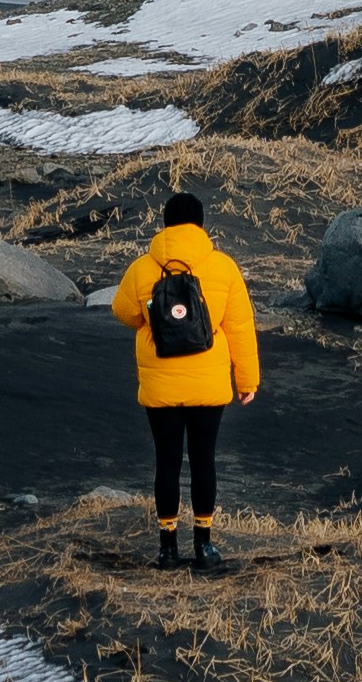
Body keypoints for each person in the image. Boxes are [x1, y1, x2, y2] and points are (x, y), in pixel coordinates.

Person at [110, 189, 259, 572]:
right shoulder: (224, 267)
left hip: (160, 384)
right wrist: (247, 379)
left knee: (167, 461)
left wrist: (150, 314)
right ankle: (205, 545)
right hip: (209, 386)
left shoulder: (143, 268)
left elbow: (122, 313)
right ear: (201, 224)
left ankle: (167, 547)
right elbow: (240, 327)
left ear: (165, 224)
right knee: (204, 460)